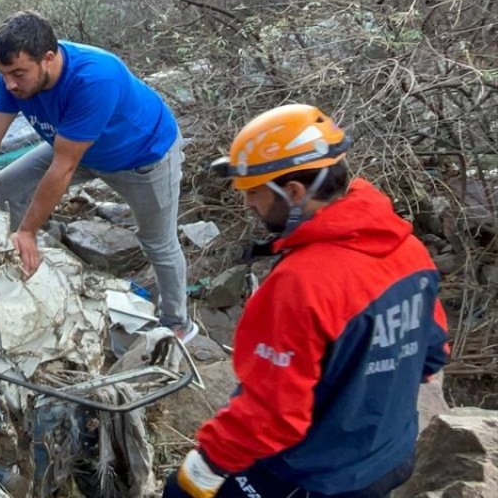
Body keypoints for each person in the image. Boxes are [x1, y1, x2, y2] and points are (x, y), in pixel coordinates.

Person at [166, 105, 450, 498]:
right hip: (390, 455)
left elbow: (273, 416)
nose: (248, 202)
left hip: (315, 476)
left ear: (295, 192)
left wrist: (204, 467)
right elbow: (433, 351)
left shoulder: (302, 283)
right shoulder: (408, 250)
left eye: (254, 190)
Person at [0, 10, 193, 339]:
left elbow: (64, 166)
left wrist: (27, 228)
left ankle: (177, 324)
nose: (10, 83)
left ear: (48, 58)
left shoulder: (95, 78)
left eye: (18, 74)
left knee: (157, 242)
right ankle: (37, 255)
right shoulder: (12, 80)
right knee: (9, 184)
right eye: (4, 74)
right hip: (77, 146)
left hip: (142, 157)